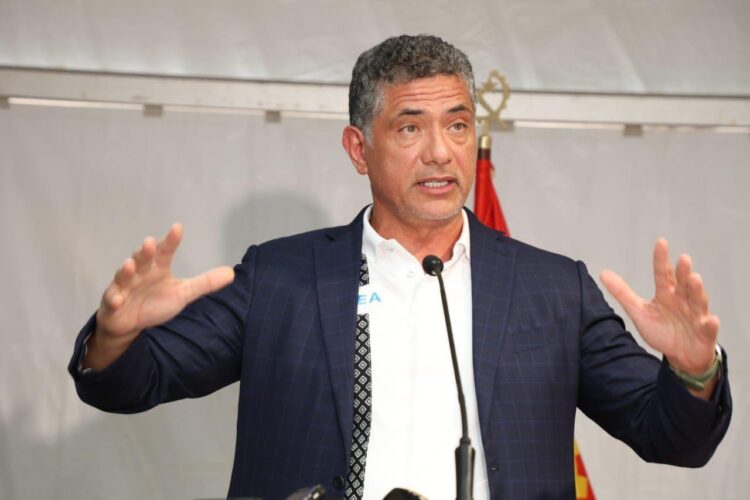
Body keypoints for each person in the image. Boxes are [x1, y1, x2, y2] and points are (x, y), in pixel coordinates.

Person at [69, 35, 731, 499]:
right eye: (410, 128)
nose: (441, 152)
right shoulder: (281, 278)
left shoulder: (552, 289)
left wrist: (694, 370)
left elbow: (674, 438)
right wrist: (116, 335)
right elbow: (129, 384)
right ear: (359, 148)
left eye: (458, 125)